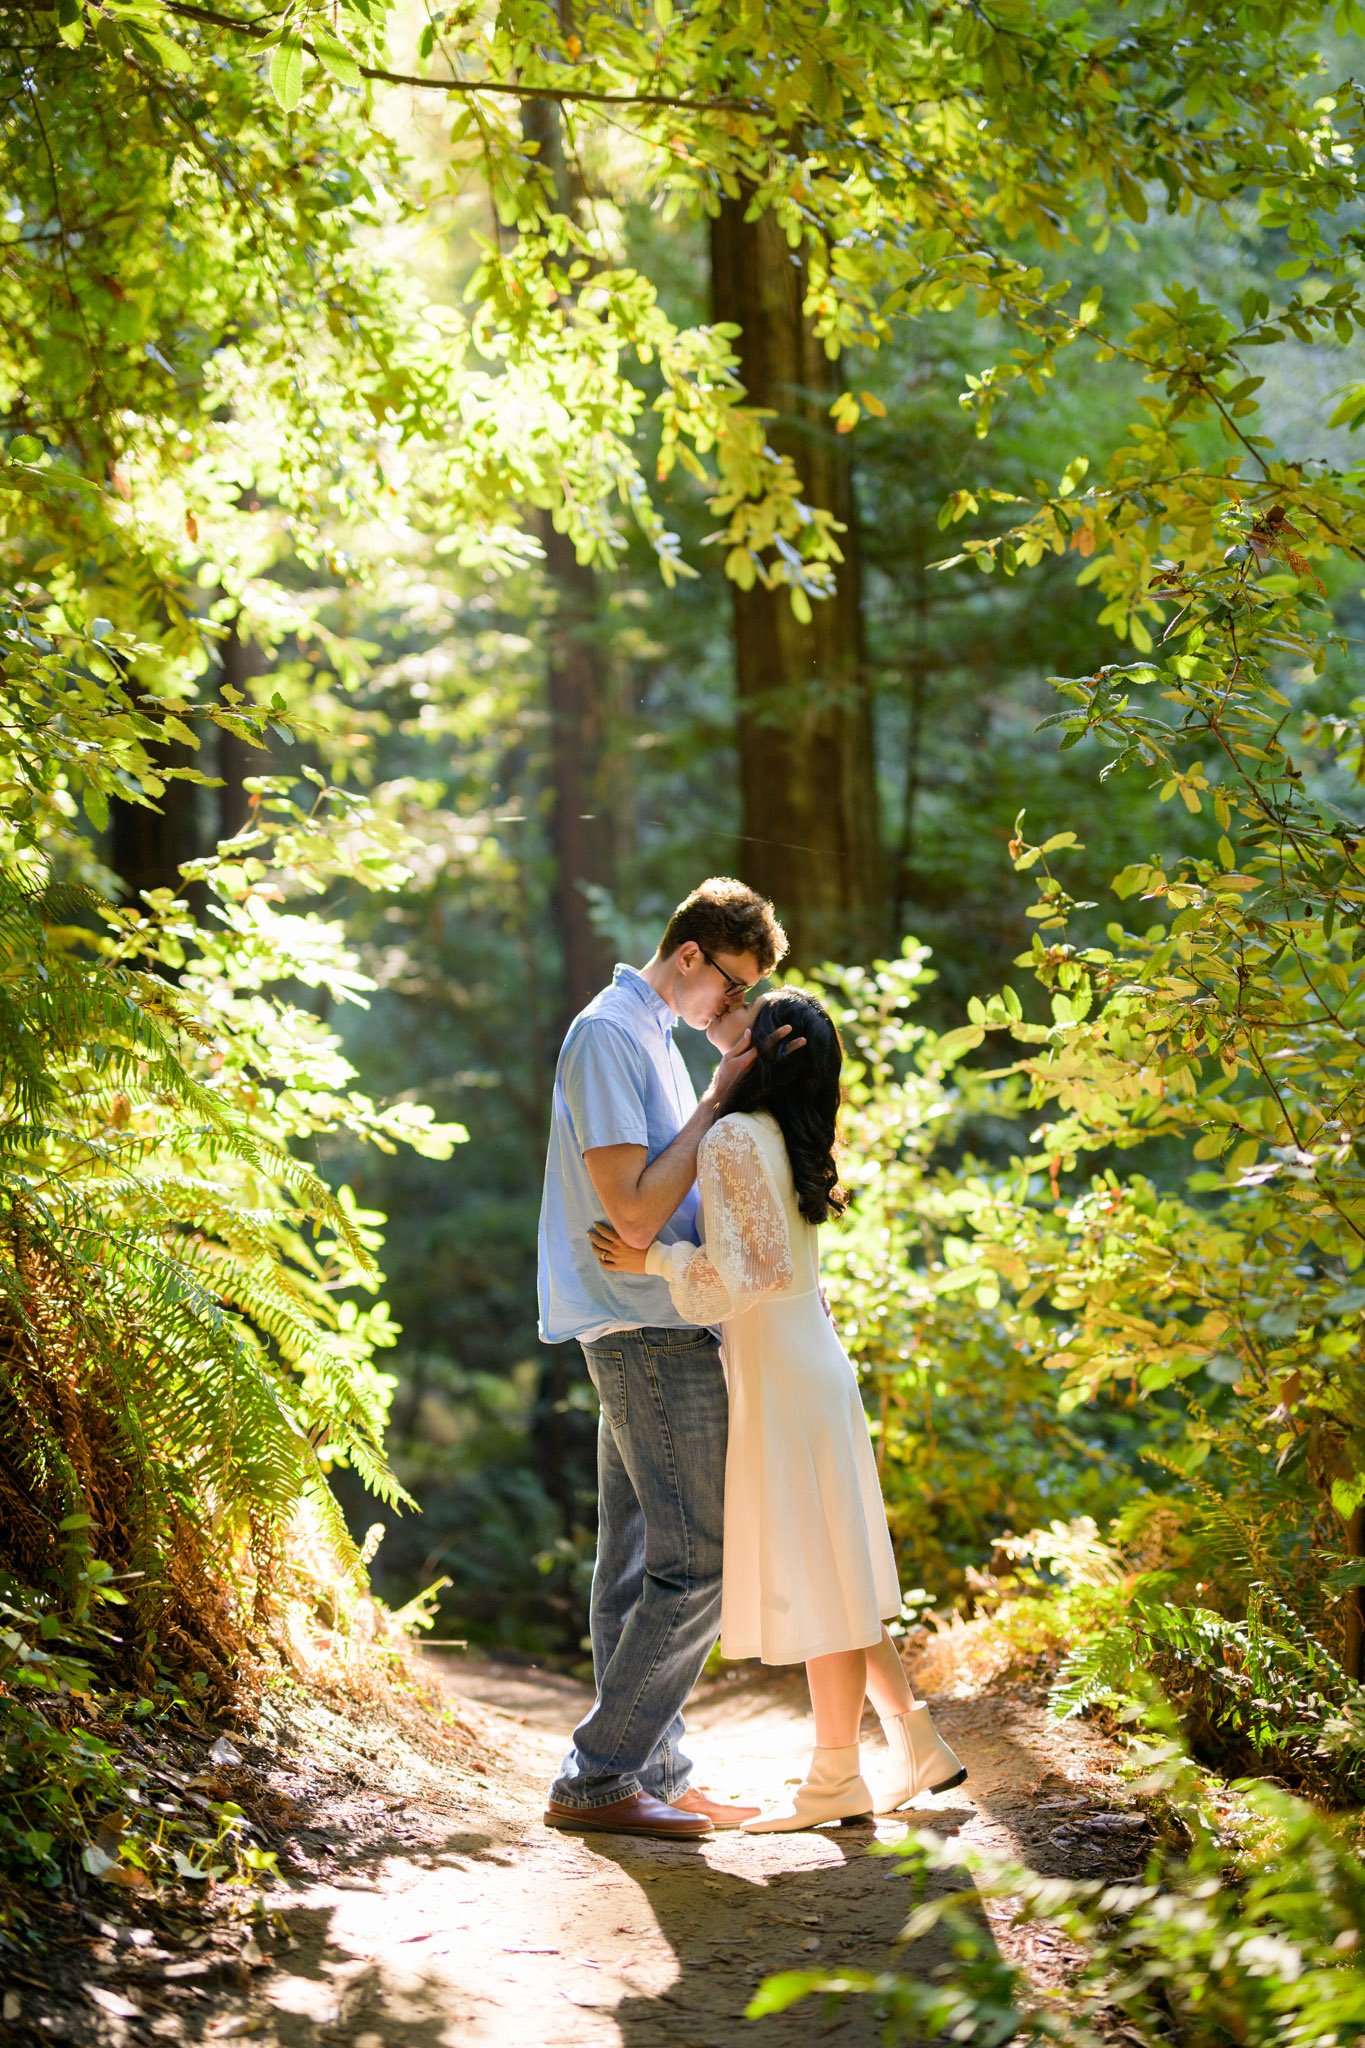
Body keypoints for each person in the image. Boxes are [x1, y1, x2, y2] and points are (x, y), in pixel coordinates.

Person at [590, 989, 966, 1832]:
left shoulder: (730, 1138)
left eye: (743, 1027)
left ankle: (836, 1780)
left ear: (762, 1053)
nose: (728, 1030)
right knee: (835, 1568)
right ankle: (911, 1740)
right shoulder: (793, 1140)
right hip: (806, 1364)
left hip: (785, 1376)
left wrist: (653, 1261)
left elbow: (741, 1277)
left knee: (823, 1577)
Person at [538, 877, 791, 1840]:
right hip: (642, 1325)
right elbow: (634, 1210)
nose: (730, 1011)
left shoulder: (651, 1036)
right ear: (690, 956)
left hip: (660, 1315)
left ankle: (653, 1769)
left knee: (636, 1560)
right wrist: (719, 1098)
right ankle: (598, 1775)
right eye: (730, 988)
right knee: (699, 1560)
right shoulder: (608, 1034)